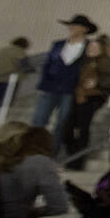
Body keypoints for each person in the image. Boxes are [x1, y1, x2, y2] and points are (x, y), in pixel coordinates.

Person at [31, 14, 96, 155]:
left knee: (62, 122)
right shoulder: (58, 45)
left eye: (76, 25)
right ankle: (33, 149)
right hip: (51, 86)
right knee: (39, 119)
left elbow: (92, 67)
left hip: (71, 89)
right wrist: (44, 83)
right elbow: (47, 65)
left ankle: (52, 151)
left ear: (85, 29)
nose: (72, 28)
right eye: (71, 25)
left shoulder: (89, 46)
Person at [64, 36, 110, 171]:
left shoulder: (106, 62)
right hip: (79, 96)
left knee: (83, 129)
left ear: (102, 49)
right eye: (90, 47)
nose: (91, 49)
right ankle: (72, 157)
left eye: (94, 47)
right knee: (67, 128)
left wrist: (99, 83)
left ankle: (76, 163)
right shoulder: (84, 62)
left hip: (93, 98)